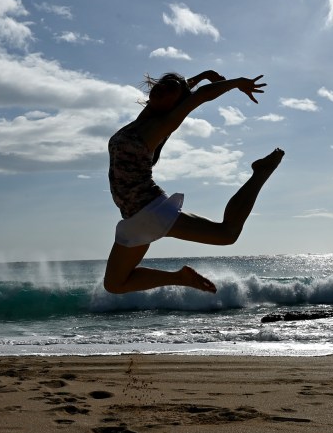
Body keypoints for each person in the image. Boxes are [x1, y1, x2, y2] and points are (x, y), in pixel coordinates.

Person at [103, 70, 284, 294]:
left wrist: (236, 82)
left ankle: (260, 173)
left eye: (171, 89)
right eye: (163, 84)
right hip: (134, 216)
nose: (163, 88)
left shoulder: (160, 125)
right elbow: (182, 91)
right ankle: (181, 277)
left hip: (149, 210)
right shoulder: (144, 119)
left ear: (177, 103)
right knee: (114, 284)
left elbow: (200, 96)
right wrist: (203, 75)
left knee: (227, 234)